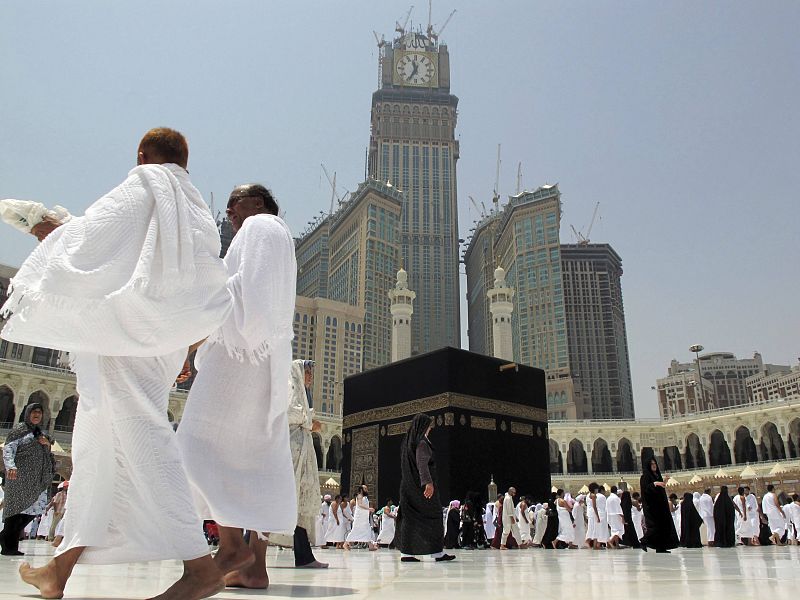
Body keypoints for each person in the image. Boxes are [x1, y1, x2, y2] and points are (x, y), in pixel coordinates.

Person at [3, 128, 232, 600]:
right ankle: (60, 568)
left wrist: (50, 231)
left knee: (142, 432)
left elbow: (92, 238)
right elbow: (202, 282)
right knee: (96, 448)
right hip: (161, 338)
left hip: (125, 334)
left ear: (142, 155)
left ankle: (198, 563)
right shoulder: (195, 213)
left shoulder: (145, 184)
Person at [176, 183, 298, 590]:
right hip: (263, 361)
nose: (229, 209)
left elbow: (248, 297)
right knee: (256, 460)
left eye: (236, 200)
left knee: (193, 443)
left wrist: (195, 332)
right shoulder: (276, 233)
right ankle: (254, 567)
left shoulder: (261, 226)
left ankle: (230, 546)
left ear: (259, 202)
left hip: (239, 358)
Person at [280, 359, 327, 568]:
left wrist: (308, 422)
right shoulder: (290, 388)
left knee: (296, 505)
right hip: (291, 454)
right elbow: (288, 412)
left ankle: (304, 556)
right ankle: (246, 549)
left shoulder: (301, 393)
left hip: (299, 454)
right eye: (308, 372)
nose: (310, 377)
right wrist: (310, 421)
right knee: (286, 502)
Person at [395, 414, 454, 562]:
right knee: (435, 516)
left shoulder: (408, 443)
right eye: (429, 425)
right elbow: (422, 464)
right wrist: (428, 483)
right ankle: (436, 553)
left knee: (409, 520)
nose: (431, 428)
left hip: (408, 488)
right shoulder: (421, 443)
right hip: (421, 490)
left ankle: (406, 554)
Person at [1, 404, 55, 556]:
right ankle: (8, 547)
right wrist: (10, 466)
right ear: (27, 414)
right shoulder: (19, 430)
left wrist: (46, 445)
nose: (37, 414)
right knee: (15, 511)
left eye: (39, 412)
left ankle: (5, 537)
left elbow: (46, 453)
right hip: (19, 477)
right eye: (34, 412)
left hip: (36, 480)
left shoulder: (40, 433)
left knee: (35, 509)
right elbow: (8, 450)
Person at [639, 458, 678, 553]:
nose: (654, 465)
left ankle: (661, 547)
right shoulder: (645, 477)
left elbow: (661, 487)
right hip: (652, 507)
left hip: (661, 506)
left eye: (655, 463)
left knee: (663, 527)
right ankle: (644, 541)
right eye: (652, 464)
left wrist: (664, 481)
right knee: (654, 527)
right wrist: (654, 484)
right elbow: (646, 490)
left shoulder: (657, 476)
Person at [344, 485, 377, 551]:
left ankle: (370, 546)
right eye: (365, 488)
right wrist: (369, 509)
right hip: (359, 518)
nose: (367, 490)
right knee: (355, 530)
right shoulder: (359, 495)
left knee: (367, 530)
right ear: (361, 490)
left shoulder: (365, 497)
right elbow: (360, 505)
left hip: (364, 517)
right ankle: (345, 544)